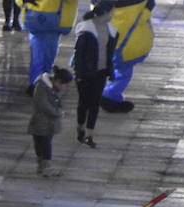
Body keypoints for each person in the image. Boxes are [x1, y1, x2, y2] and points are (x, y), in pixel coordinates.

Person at [71, 2, 116, 147]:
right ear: (104, 12)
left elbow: (109, 53)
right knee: (84, 103)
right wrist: (78, 73)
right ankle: (80, 127)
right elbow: (79, 54)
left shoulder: (111, 30)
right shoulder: (86, 29)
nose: (113, 15)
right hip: (85, 72)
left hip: (100, 72)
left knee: (95, 104)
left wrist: (110, 70)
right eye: (111, 12)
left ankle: (89, 134)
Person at [101, 0, 153, 113]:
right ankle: (110, 96)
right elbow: (143, 16)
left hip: (104, 40)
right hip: (125, 46)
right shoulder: (138, 5)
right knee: (123, 73)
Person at [28, 66, 72, 178]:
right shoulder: (42, 87)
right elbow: (43, 104)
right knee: (43, 143)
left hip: (47, 122)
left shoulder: (51, 88)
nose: (64, 88)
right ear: (57, 81)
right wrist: (57, 113)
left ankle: (43, 166)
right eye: (63, 84)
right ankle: (44, 166)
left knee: (43, 142)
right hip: (41, 121)